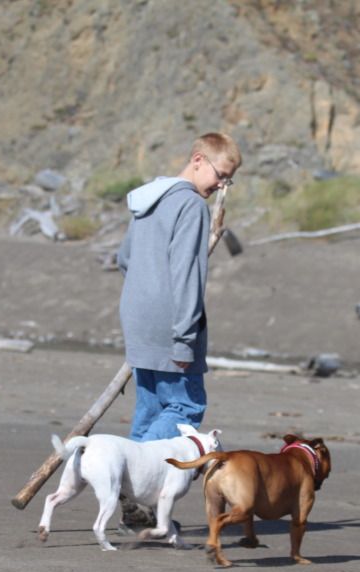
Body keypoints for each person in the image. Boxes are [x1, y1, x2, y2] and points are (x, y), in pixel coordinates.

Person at [115, 132, 241, 529]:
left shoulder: (149, 197)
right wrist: (185, 338)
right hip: (171, 324)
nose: (222, 185)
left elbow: (124, 259)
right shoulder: (189, 205)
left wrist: (144, 294)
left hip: (137, 317)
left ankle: (135, 502)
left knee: (151, 408)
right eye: (221, 175)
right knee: (185, 408)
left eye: (228, 181)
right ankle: (136, 485)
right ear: (199, 159)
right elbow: (188, 278)